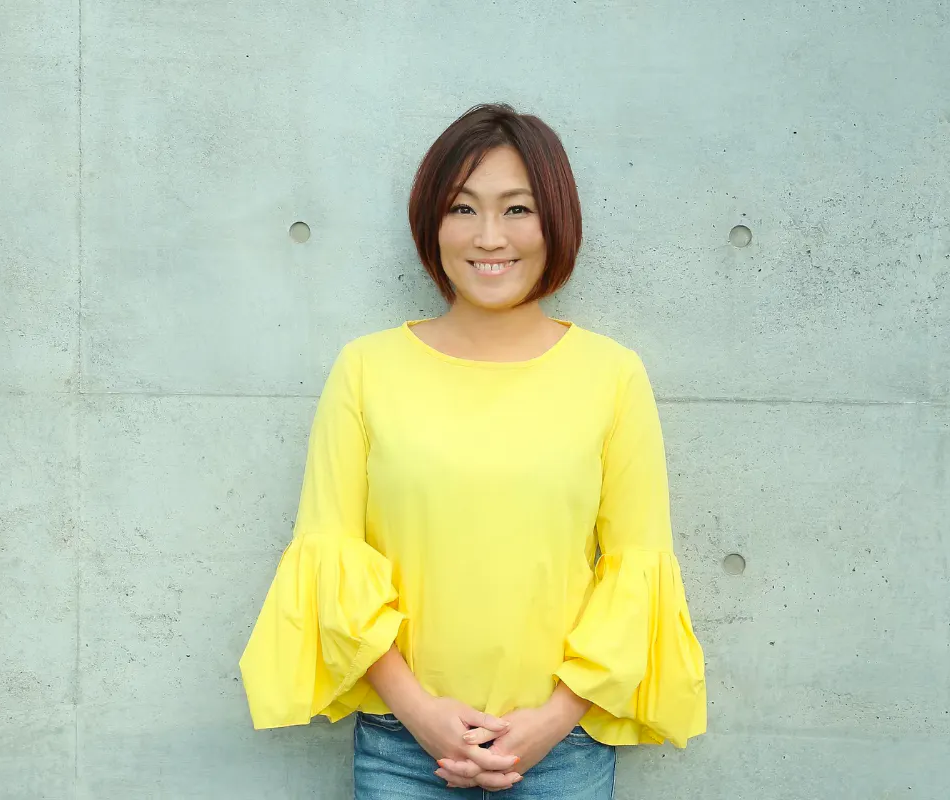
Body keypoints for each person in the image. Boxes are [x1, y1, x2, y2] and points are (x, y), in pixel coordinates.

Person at [239, 103, 707, 798]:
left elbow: (636, 569)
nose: (490, 237)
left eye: (517, 209)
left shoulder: (613, 375)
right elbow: (330, 556)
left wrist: (552, 720)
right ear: (431, 223)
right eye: (463, 208)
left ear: (556, 221)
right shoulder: (366, 369)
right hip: (403, 747)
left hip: (564, 750)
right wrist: (421, 715)